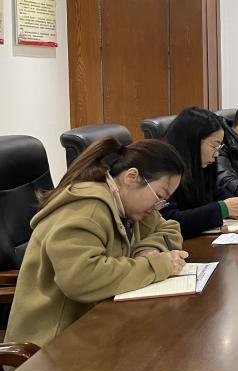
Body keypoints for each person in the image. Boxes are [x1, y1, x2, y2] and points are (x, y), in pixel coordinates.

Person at [5, 138, 189, 348]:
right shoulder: (87, 210)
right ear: (131, 177)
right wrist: (156, 265)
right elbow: (81, 278)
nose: (158, 205)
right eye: (159, 195)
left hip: (99, 323)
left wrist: (148, 250)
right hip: (52, 344)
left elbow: (169, 229)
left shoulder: (130, 205)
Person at [162, 107, 238, 238]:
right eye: (214, 146)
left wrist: (236, 203)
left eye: (219, 147)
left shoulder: (200, 164)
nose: (217, 154)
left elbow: (215, 192)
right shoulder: (162, 168)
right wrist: (222, 209)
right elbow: (169, 221)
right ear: (192, 141)